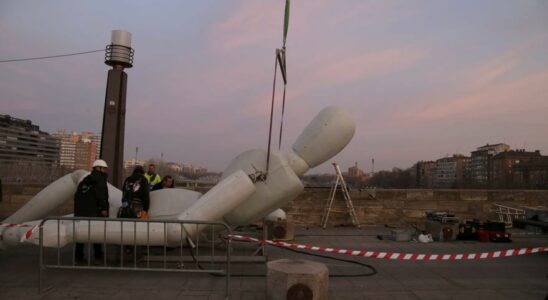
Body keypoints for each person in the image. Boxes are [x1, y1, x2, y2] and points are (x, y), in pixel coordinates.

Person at [73, 159, 109, 263]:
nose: (105, 171)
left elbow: (77, 196)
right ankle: (98, 257)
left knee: (80, 236)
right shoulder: (100, 179)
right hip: (95, 212)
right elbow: (101, 196)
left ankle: (78, 258)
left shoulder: (85, 180)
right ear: (98, 168)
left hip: (81, 213)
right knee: (96, 235)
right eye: (104, 168)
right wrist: (103, 209)